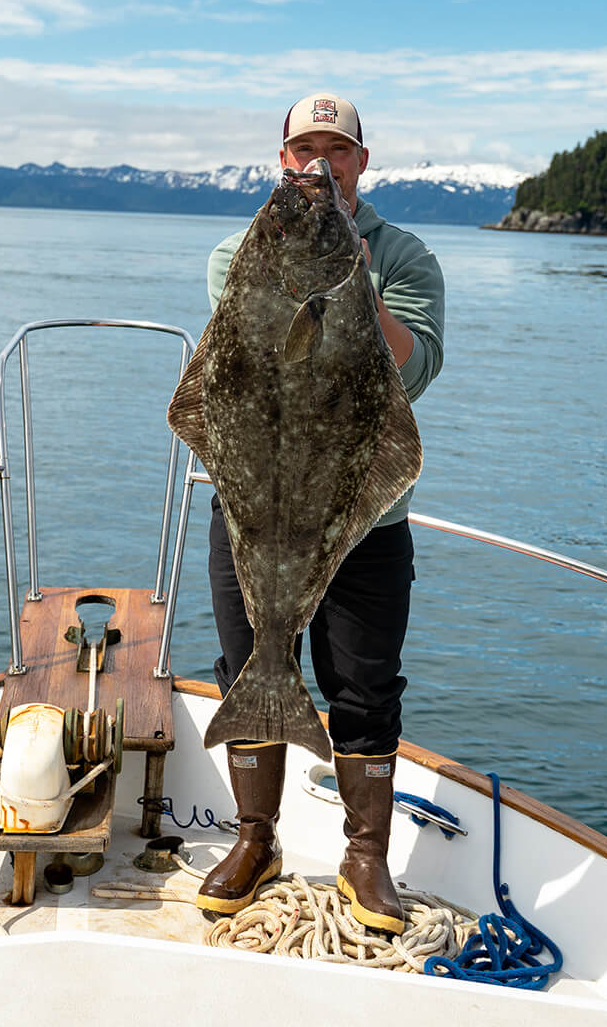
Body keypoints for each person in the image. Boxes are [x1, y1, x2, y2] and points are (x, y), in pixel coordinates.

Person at [194, 93, 445, 935]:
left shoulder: (404, 257)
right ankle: (254, 837)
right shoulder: (239, 250)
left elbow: (414, 372)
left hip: (362, 520)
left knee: (365, 689)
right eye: (304, 149)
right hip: (253, 512)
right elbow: (233, 374)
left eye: (336, 151)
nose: (319, 165)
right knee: (246, 663)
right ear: (280, 161)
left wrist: (355, 286)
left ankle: (364, 857)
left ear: (361, 164)